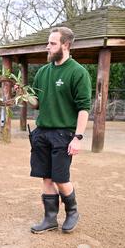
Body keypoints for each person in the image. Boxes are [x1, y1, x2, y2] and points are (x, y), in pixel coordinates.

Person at [27, 27, 92, 234]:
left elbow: (83, 108)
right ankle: (50, 218)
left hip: (64, 134)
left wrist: (78, 137)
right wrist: (20, 95)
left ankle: (72, 211)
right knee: (46, 177)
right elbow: (36, 103)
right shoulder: (43, 72)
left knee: (60, 179)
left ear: (66, 45)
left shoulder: (78, 72)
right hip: (42, 132)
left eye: (53, 43)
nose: (48, 46)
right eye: (48, 43)